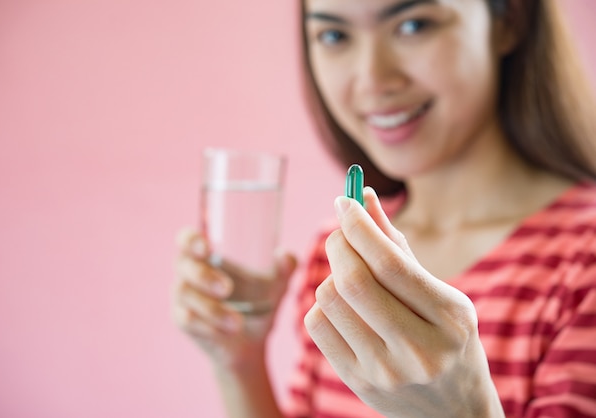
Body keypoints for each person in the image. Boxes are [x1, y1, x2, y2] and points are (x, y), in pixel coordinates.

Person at [173, 0, 596, 416]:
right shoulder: (340, 256)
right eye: (335, 35)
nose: (371, 79)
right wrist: (239, 361)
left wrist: (464, 409)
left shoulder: (585, 262)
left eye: (414, 25)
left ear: (510, 19)